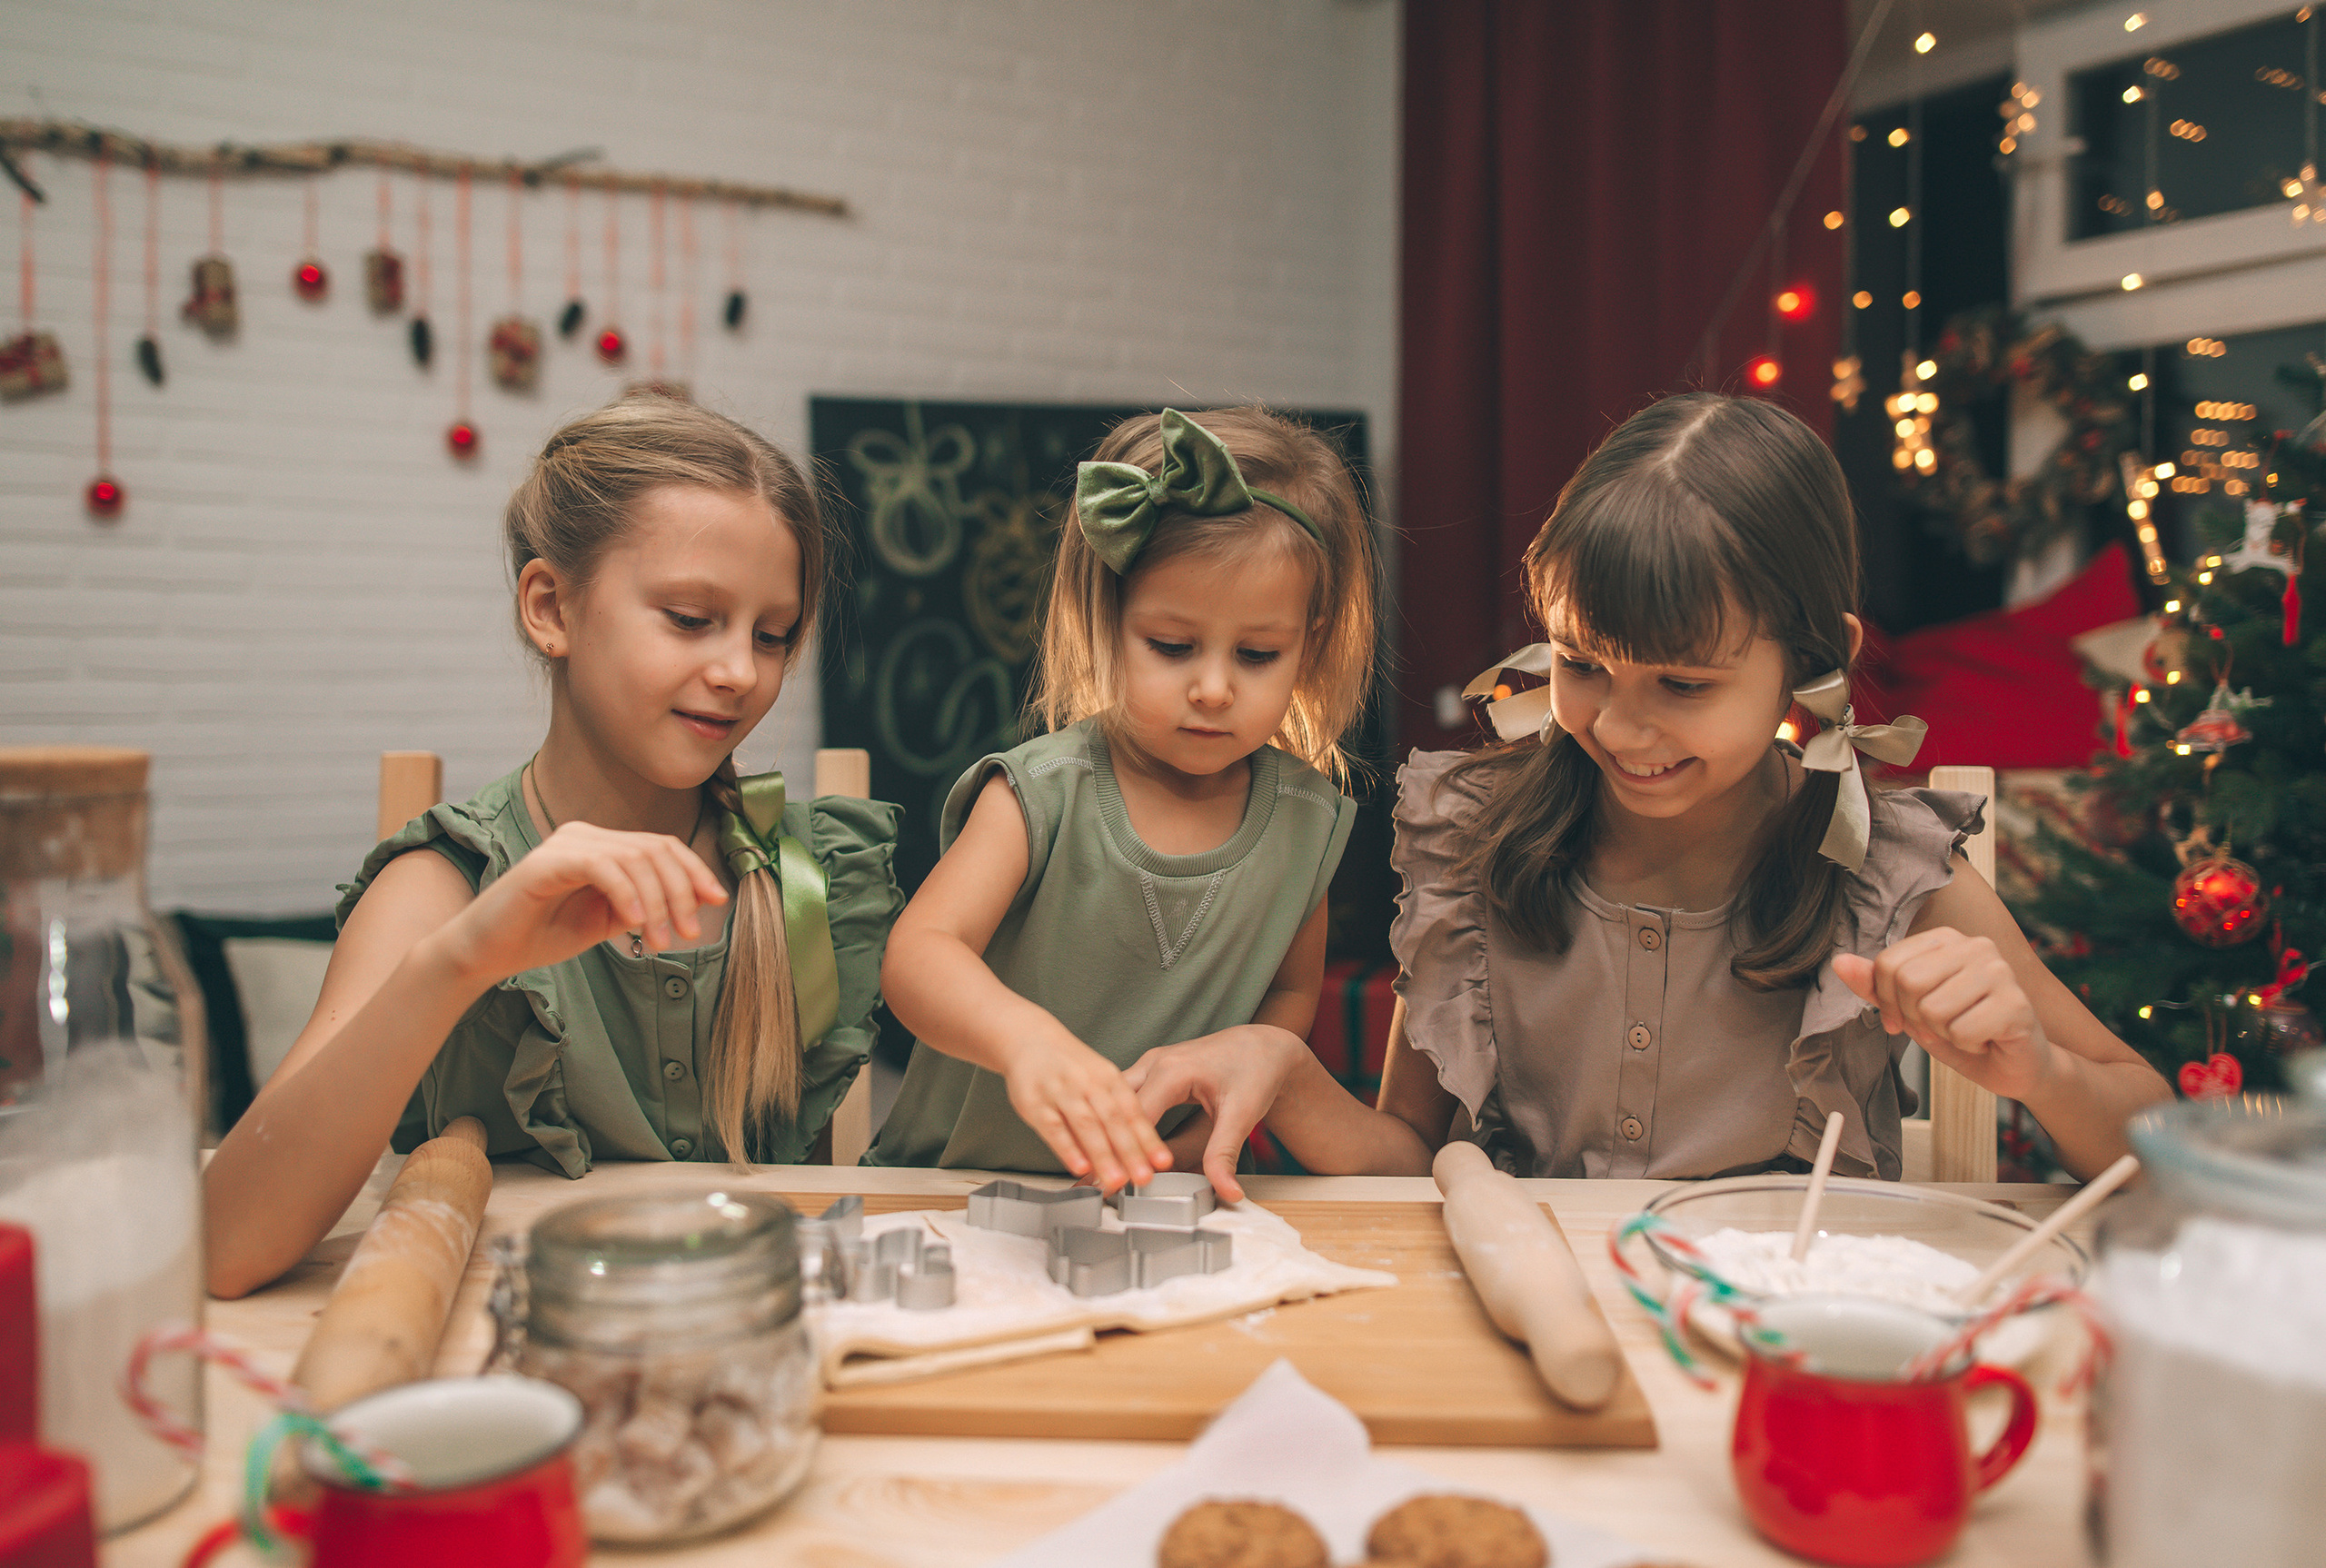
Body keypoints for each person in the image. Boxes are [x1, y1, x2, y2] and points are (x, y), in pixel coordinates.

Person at [1128, 392, 2172, 1183]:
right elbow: (1410, 1158)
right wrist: (1290, 1068)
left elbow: (2150, 1132)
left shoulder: (1888, 871)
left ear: (1815, 660)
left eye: (1682, 684)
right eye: (1583, 665)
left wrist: (2043, 1072)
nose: (1621, 728)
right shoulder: (1473, 844)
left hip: (1770, 1359)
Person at [205, 396, 901, 1297]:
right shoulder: (442, 886)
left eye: (772, 636)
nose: (740, 671)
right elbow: (228, 1247)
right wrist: (460, 962)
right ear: (551, 607)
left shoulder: (806, 883)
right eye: (691, 618)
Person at [868, 407, 1379, 1196]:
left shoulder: (1306, 824)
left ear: (1309, 644)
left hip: (1152, 1198)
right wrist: (1024, 1042)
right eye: (1172, 647)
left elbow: (1287, 996)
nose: (1213, 688)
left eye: (1258, 653)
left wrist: (1196, 1143)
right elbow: (917, 957)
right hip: (954, 1191)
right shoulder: (1043, 793)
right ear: (1107, 620)